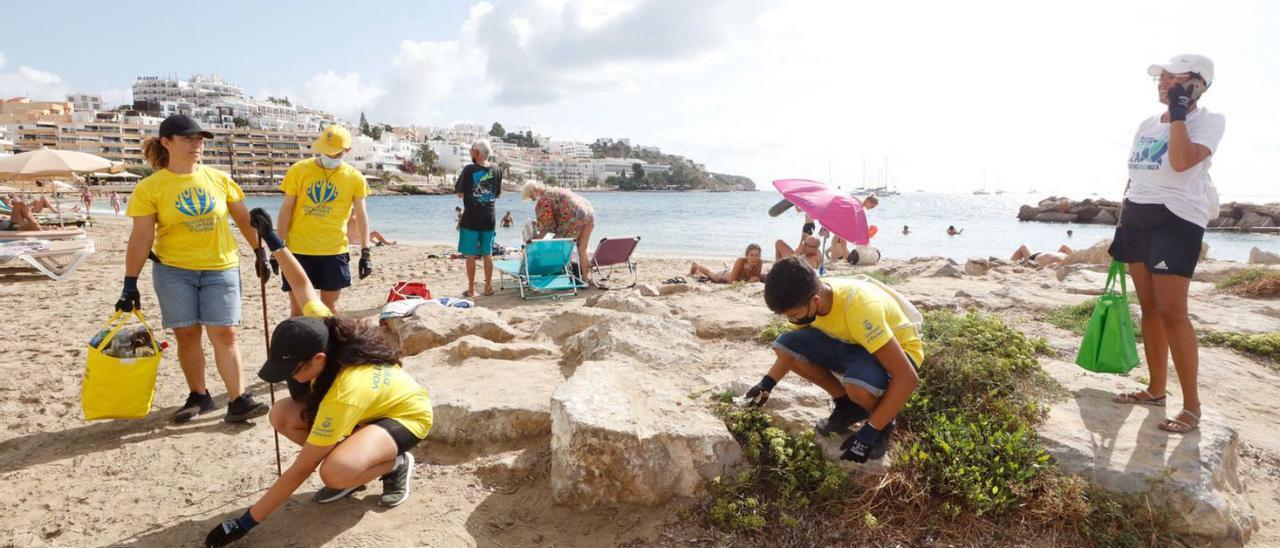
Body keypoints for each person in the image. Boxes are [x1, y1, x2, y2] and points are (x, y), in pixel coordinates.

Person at [203, 208, 432, 547]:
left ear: (318, 359)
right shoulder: (322, 326)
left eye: (293, 369)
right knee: (281, 413)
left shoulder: (344, 390)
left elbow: (300, 470)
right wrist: (272, 240)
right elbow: (302, 284)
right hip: (366, 411)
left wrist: (244, 522)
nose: (287, 378)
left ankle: (395, 463)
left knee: (332, 472)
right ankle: (356, 459)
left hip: (405, 417)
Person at [117, 114, 270, 424]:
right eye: (189, 138)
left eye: (200, 139)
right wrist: (129, 283)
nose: (196, 144)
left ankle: (238, 399)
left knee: (225, 333)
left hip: (221, 267)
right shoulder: (151, 187)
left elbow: (243, 219)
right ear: (166, 142)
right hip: (174, 271)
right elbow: (142, 237)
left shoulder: (219, 178)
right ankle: (198, 394)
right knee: (187, 335)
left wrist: (260, 251)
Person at [1110, 54, 1225, 434]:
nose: (1163, 83)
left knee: (1173, 311)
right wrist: (1122, 221)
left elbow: (1180, 162)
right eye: (1161, 78)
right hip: (1138, 216)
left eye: (1175, 79)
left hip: (1177, 219)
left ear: (1197, 85)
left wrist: (1179, 114)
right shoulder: (1146, 123)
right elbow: (1135, 174)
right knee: (1149, 308)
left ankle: (1192, 407)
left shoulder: (1208, 121)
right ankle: (1156, 390)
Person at [743, 257, 923, 462]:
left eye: (792, 314)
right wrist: (767, 383)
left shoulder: (860, 308)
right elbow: (793, 350)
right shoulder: (809, 300)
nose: (790, 319)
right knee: (785, 345)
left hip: (899, 350)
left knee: (858, 387)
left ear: (815, 301)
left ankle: (884, 423)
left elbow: (907, 377)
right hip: (854, 343)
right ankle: (848, 406)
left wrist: (869, 432)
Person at [276, 125, 372, 317]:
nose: (328, 156)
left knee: (330, 310)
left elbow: (361, 215)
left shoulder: (355, 178)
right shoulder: (299, 170)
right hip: (298, 250)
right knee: (299, 310)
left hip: (333, 251)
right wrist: (277, 248)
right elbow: (286, 209)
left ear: (347, 151)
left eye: (334, 153)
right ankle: (301, 347)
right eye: (325, 151)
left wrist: (366, 251)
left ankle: (330, 347)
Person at [522, 181, 597, 286]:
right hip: (589, 213)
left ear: (533, 191)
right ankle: (585, 279)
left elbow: (546, 228)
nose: (533, 200)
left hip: (573, 218)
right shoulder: (555, 190)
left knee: (555, 246)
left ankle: (549, 276)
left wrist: (534, 242)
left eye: (531, 197)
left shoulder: (544, 200)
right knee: (582, 249)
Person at [456, 140, 503, 297]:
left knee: (470, 255)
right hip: (489, 218)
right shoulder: (497, 170)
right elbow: (497, 194)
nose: (470, 152)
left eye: (471, 150)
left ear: (477, 153)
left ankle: (471, 289)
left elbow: (460, 193)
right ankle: (488, 287)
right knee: (487, 253)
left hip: (471, 219)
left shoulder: (469, 169)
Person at [690, 244, 765, 283]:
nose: (754, 258)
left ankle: (726, 265)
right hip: (724, 275)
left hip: (735, 274)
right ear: (746, 255)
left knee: (729, 268)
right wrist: (748, 283)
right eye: (751, 255)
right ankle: (696, 265)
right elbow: (730, 282)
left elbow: (756, 278)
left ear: (760, 256)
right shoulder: (740, 261)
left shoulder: (759, 262)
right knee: (711, 274)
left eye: (757, 255)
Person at [1010, 244, 1075, 267]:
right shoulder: (1068, 258)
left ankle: (1010, 263)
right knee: (1023, 247)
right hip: (1041, 256)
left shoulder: (1058, 264)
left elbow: (1052, 266)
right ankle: (1012, 262)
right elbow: (1064, 246)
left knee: (1023, 246)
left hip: (1033, 260)